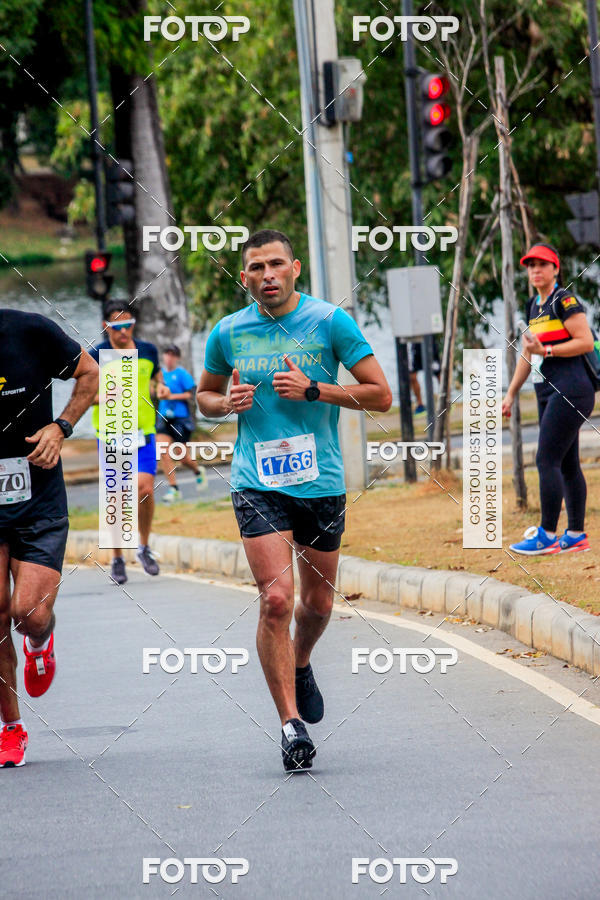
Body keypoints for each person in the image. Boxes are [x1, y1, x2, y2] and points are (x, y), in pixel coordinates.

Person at [197, 229, 392, 771]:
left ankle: (301, 660)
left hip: (321, 481)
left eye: (276, 264)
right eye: (256, 267)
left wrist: (316, 390)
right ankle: (290, 726)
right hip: (257, 481)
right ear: (244, 278)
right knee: (276, 599)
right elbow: (205, 396)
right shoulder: (227, 332)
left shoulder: (330, 322)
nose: (267, 275)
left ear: (296, 268)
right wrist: (223, 403)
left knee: (319, 602)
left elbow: (380, 393)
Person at [0, 309, 98, 767]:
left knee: (28, 614)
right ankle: (12, 728)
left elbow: (91, 373)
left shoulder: (29, 330)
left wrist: (61, 427)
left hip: (38, 498)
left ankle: (40, 640)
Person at [502, 243, 596, 555]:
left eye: (542, 264)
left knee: (546, 459)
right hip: (549, 390)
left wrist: (550, 351)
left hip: (572, 389)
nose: (535, 270)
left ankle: (547, 534)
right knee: (567, 462)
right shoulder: (534, 305)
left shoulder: (564, 300)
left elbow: (585, 341)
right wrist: (511, 394)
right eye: (530, 266)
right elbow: (528, 355)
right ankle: (575, 535)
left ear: (555, 269)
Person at [90, 301, 168, 584]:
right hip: (110, 433)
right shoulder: (96, 355)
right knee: (117, 497)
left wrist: (161, 386)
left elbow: (157, 377)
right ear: (106, 327)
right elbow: (83, 394)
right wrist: (105, 398)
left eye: (128, 324)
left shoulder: (147, 350)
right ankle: (117, 558)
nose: (123, 331)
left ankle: (143, 546)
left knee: (145, 488)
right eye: (117, 326)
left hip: (143, 431)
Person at [156, 344, 206, 502]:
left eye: (173, 355)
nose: (169, 358)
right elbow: (154, 390)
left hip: (180, 419)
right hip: (164, 418)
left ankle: (198, 471)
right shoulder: (160, 374)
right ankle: (174, 489)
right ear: (164, 356)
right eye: (167, 354)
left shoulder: (182, 374)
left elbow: (191, 394)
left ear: (177, 358)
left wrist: (172, 397)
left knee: (182, 457)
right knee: (163, 451)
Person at [409, 339, 441, 415]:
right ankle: (420, 405)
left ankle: (446, 401)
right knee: (412, 376)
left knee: (438, 374)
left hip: (430, 342)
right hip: (416, 344)